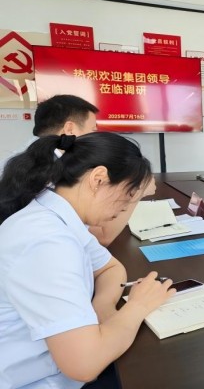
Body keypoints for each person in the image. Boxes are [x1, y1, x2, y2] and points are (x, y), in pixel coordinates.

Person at [0, 132, 175, 387]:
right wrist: (138, 306)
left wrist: (103, 308)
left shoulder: (56, 213)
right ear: (98, 178)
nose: (126, 207)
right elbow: (84, 366)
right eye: (129, 194)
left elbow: (110, 268)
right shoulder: (46, 242)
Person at [1, 94, 155, 246]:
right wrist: (137, 189)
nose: (96, 138)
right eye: (93, 130)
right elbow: (102, 237)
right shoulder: (48, 170)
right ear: (69, 129)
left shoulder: (30, 157)